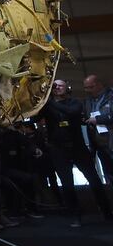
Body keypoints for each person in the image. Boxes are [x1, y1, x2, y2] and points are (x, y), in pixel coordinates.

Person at [41, 79, 113, 226]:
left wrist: (48, 102)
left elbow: (72, 112)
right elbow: (34, 118)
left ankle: (106, 211)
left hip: (78, 147)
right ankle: (75, 215)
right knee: (67, 183)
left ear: (67, 87)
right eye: (54, 86)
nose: (57, 87)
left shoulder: (75, 102)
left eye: (60, 85)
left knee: (94, 179)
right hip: (58, 149)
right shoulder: (47, 106)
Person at [83, 74, 113, 190]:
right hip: (100, 144)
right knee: (109, 175)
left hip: (110, 140)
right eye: (86, 88)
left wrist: (98, 119)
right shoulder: (88, 101)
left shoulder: (110, 95)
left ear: (99, 84)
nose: (88, 90)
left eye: (91, 87)